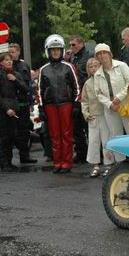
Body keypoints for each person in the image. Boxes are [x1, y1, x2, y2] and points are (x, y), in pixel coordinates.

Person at [38, 35, 80, 174]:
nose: (55, 52)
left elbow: (76, 87)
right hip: (50, 106)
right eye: (53, 50)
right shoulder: (44, 69)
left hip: (66, 104)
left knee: (66, 135)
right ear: (48, 51)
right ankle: (57, 163)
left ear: (61, 51)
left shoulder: (69, 67)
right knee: (54, 135)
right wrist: (41, 108)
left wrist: (75, 105)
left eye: (58, 49)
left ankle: (67, 163)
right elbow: (39, 90)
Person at [93, 43, 129, 165]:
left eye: (104, 53)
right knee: (116, 136)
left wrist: (119, 97)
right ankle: (120, 164)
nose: (102, 56)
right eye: (99, 54)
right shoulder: (97, 74)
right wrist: (110, 104)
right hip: (110, 109)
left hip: (126, 105)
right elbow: (98, 94)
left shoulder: (122, 66)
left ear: (109, 54)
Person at [0, 52, 32, 172]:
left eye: (10, 60)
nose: (9, 61)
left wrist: (15, 80)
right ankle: (3, 162)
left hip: (14, 108)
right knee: (4, 137)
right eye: (6, 60)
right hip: (1, 110)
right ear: (1, 63)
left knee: (12, 135)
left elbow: (25, 89)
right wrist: (6, 108)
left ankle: (9, 161)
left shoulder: (15, 74)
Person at [81, 58, 113, 177]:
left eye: (95, 66)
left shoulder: (105, 80)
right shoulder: (87, 83)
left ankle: (108, 164)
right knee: (93, 141)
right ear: (88, 69)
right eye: (91, 67)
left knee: (106, 140)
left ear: (100, 67)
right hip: (93, 116)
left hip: (105, 115)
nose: (93, 68)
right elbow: (84, 101)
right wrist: (86, 113)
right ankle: (95, 165)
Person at [69, 35, 91, 163]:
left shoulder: (88, 55)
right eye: (70, 45)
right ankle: (81, 153)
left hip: (86, 93)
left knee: (89, 125)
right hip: (76, 95)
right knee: (77, 126)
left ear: (81, 43)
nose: (71, 47)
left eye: (73, 44)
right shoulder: (72, 58)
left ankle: (95, 152)